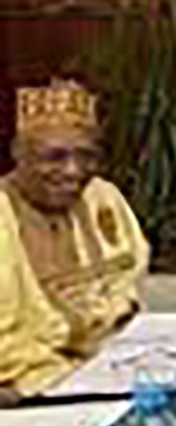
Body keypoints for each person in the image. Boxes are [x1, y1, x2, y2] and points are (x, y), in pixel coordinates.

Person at [0, 81, 149, 402]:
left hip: (113, 373)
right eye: (54, 157)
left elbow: (128, 285)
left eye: (87, 156)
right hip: (26, 391)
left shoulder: (103, 197)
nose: (73, 171)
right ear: (17, 153)